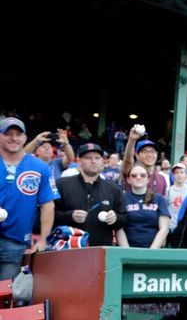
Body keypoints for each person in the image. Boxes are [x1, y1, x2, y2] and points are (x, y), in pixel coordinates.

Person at [0, 117, 59, 280]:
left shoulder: (40, 167)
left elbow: (48, 205)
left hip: (16, 240)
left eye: (18, 134)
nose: (13, 138)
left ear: (25, 138)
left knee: (6, 293)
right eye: (8, 134)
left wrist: (43, 239)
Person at [54, 143, 127, 247]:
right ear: (79, 161)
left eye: (97, 158)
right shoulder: (62, 184)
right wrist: (70, 216)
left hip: (101, 250)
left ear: (102, 161)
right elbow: (49, 215)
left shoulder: (113, 189)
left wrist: (115, 218)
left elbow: (124, 218)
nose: (93, 161)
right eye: (88, 158)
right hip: (68, 248)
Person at [116, 165, 170, 248]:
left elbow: (164, 228)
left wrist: (151, 251)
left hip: (153, 249)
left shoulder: (159, 198)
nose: (138, 178)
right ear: (128, 180)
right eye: (134, 176)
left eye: (143, 175)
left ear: (148, 179)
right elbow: (119, 228)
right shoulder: (121, 198)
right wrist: (126, 251)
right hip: (128, 248)